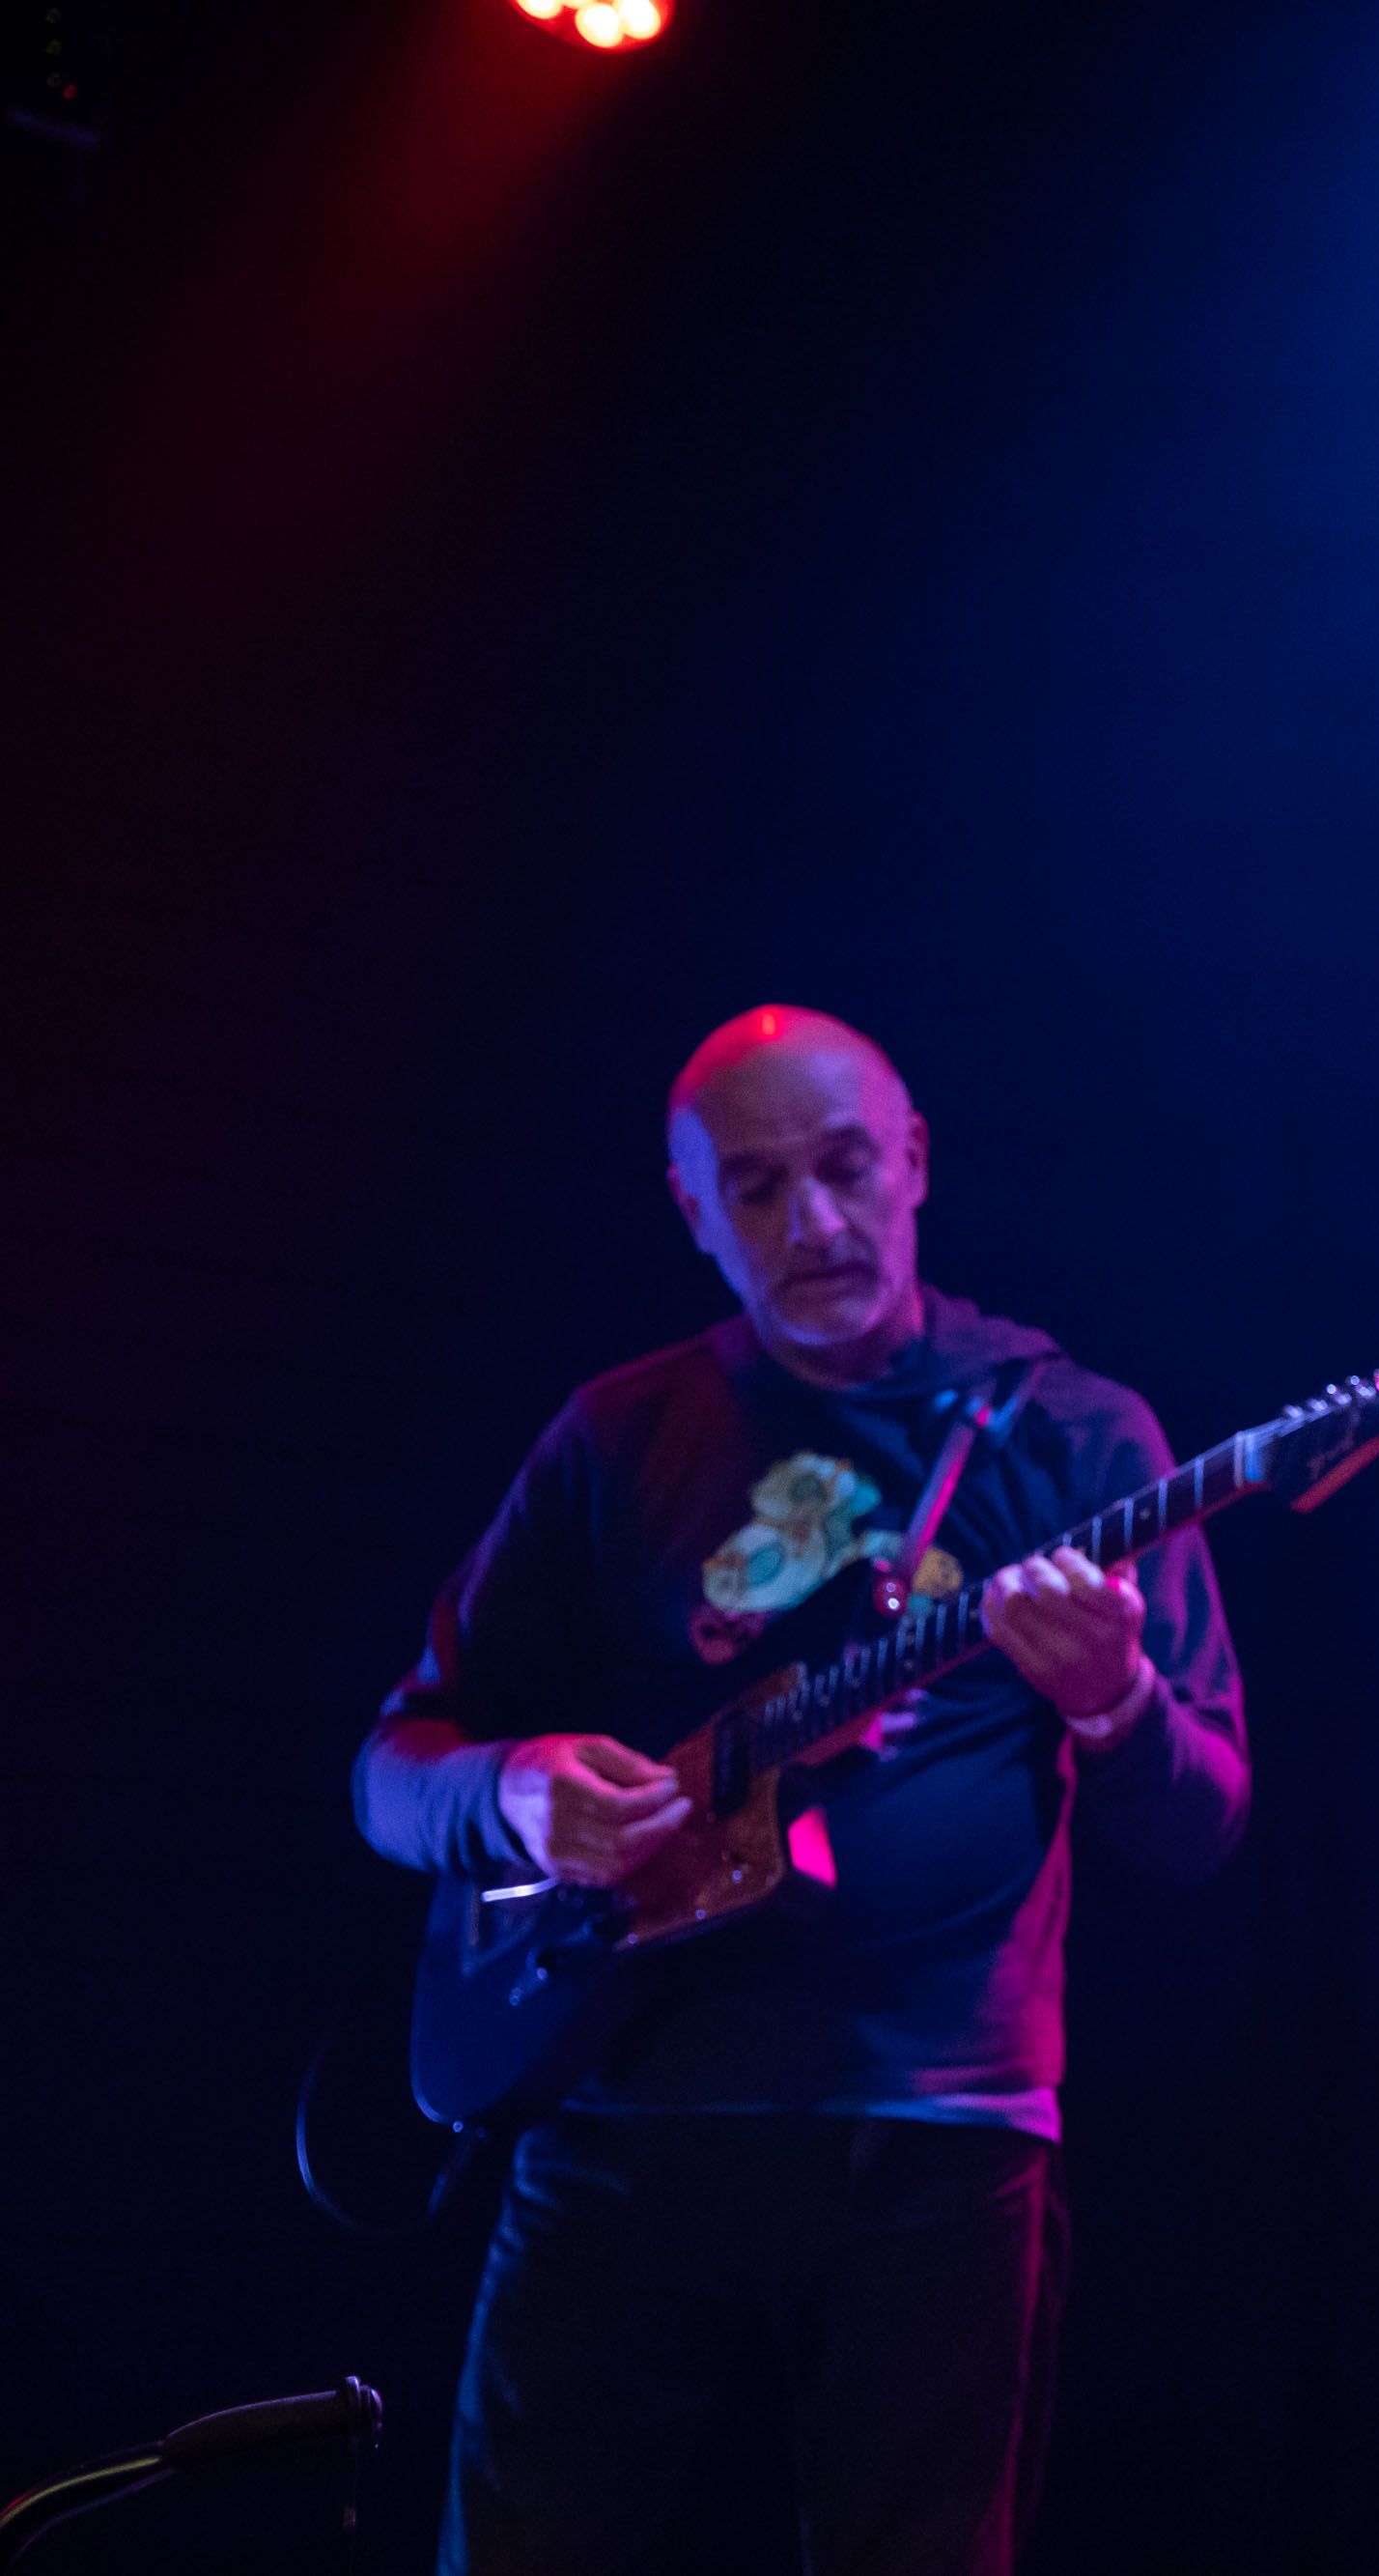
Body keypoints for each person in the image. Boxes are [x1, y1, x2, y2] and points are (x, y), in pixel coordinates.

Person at [354, 1004, 1250, 2576]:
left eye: (845, 1168)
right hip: (617, 2124)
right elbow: (393, 1768)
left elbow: (1201, 1825)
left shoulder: (1076, 1435)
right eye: (757, 1187)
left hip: (938, 2137)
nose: (816, 1223)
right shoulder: (619, 1435)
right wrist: (513, 1792)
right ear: (693, 1212)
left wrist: (1111, 1696)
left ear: (916, 1160)